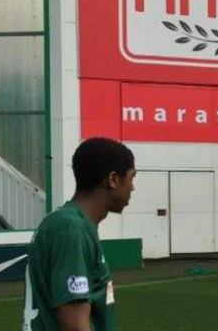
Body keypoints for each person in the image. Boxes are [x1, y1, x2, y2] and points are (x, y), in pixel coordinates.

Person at [24, 137, 135, 330]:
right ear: (113, 179)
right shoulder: (72, 229)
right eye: (132, 177)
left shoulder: (68, 223)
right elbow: (74, 326)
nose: (132, 186)